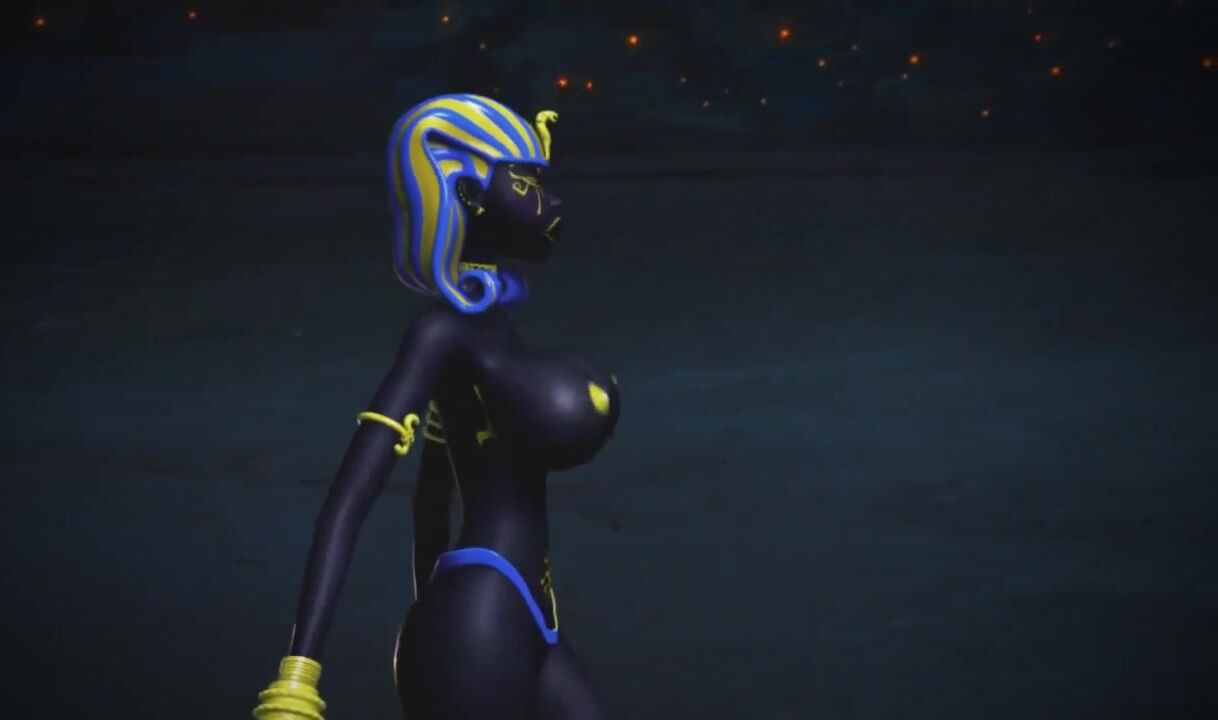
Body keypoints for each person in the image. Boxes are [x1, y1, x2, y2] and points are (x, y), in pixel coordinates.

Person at [250, 93, 618, 720]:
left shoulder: (491, 328)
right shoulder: (442, 332)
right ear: (469, 193)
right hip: (478, 612)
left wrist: (426, 595)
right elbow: (352, 496)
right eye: (527, 183)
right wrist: (298, 676)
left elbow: (431, 495)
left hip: (528, 619)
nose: (550, 202)